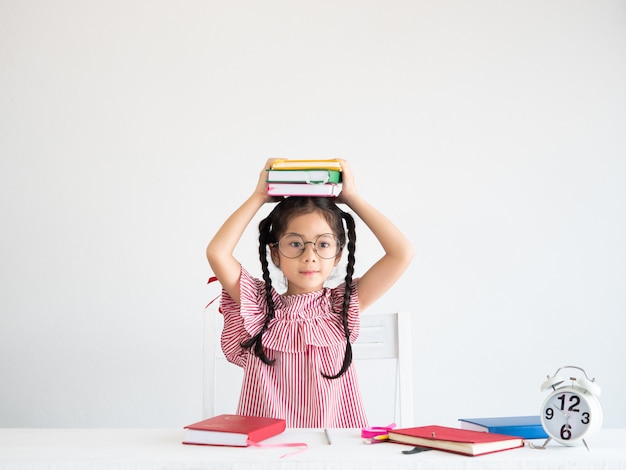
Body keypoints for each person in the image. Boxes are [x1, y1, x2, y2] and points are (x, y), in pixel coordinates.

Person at [206, 158, 413, 428]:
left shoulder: (342, 305)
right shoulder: (257, 306)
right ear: (275, 252)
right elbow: (217, 252)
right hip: (265, 450)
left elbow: (402, 253)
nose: (309, 256)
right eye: (295, 243)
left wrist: (352, 198)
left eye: (323, 244)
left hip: (335, 448)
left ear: (338, 255)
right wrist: (258, 196)